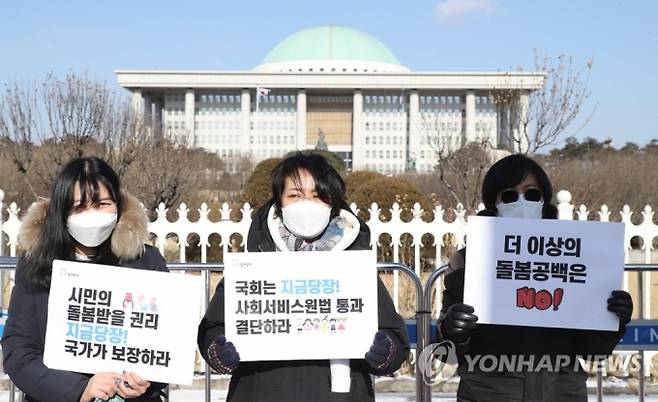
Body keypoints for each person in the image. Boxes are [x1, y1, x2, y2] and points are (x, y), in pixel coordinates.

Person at [197, 152, 410, 402]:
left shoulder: (353, 266)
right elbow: (213, 329)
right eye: (295, 195)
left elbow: (394, 339)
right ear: (279, 203)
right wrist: (219, 352)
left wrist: (385, 351)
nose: (306, 205)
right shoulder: (254, 263)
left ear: (333, 204)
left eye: (318, 196)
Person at [436, 154, 633, 402]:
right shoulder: (469, 262)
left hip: (561, 393)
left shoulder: (577, 258)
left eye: (532, 194)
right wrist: (453, 331)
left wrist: (611, 322)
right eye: (509, 195)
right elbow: (446, 353)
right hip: (489, 394)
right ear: (493, 203)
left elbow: (594, 353)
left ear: (544, 200)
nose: (521, 201)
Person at [1, 157, 168, 402]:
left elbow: (167, 343)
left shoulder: (146, 261)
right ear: (61, 210)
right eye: (79, 207)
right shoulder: (36, 264)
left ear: (118, 205)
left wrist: (148, 379)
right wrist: (80, 389)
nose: (92, 215)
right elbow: (19, 352)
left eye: (102, 204)